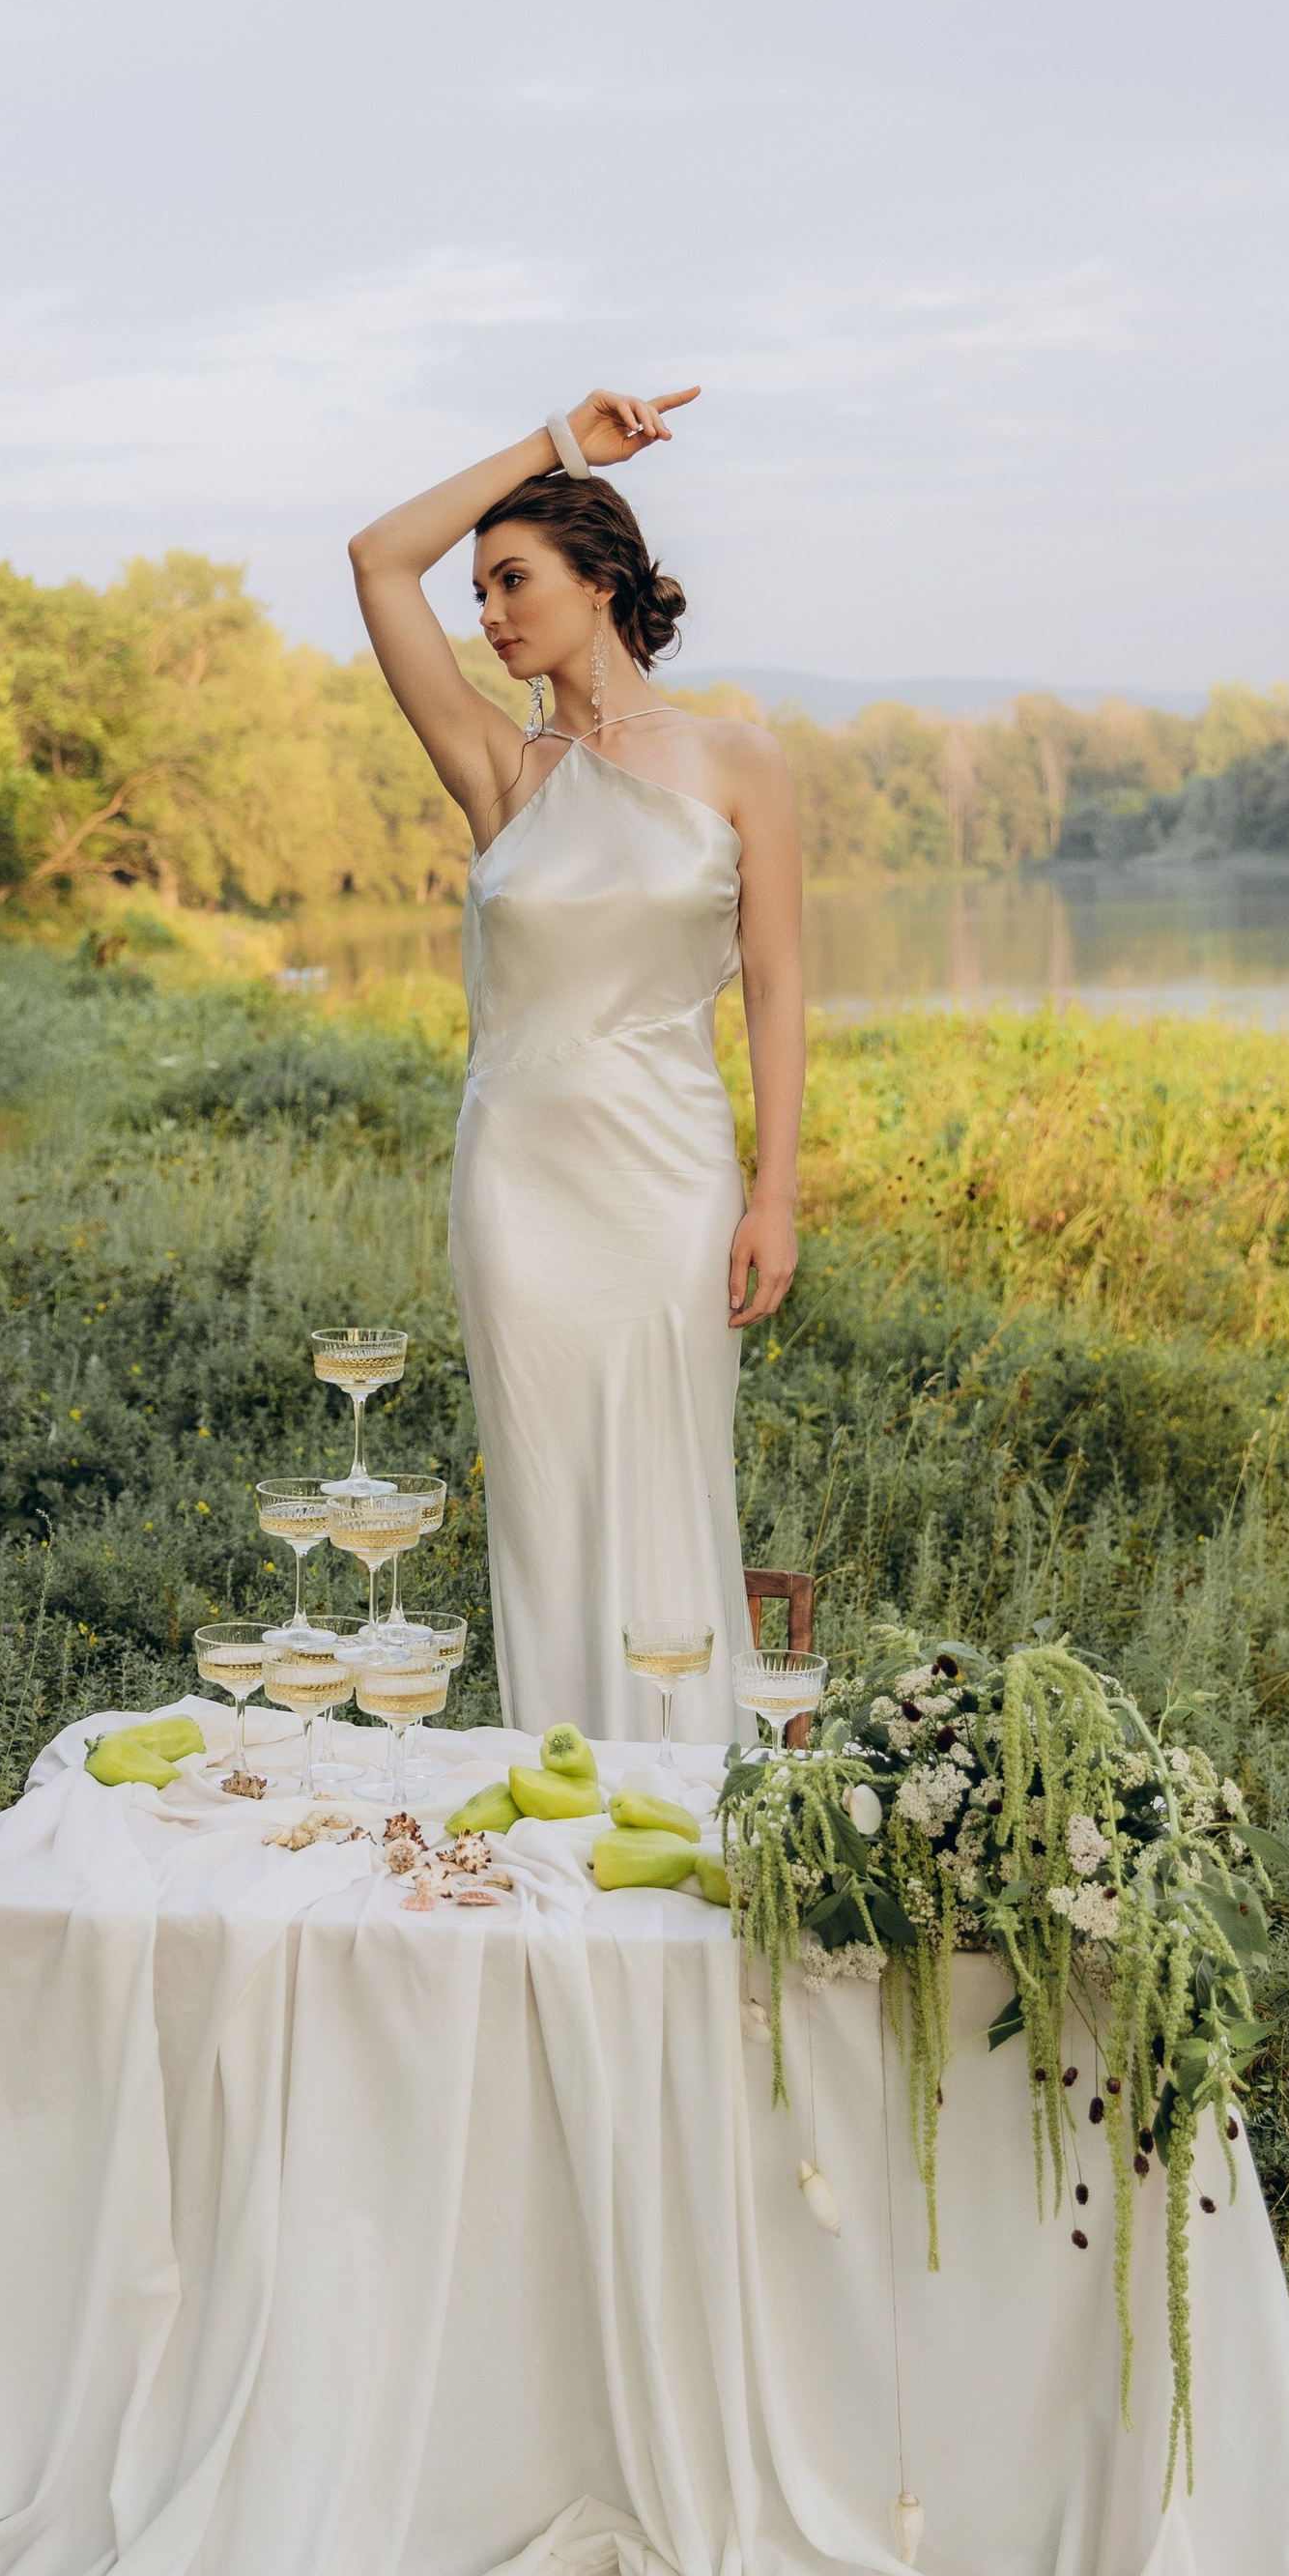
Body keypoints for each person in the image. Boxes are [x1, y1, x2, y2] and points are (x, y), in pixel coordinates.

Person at [350, 388, 803, 1745]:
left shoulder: (737, 760)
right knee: (546, 1505)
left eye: (512, 579)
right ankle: (573, 1808)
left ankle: (697, 1814)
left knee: (667, 1482)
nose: (486, 613)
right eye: (481, 587)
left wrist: (774, 1194)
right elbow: (377, 556)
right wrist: (554, 443)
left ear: (599, 580)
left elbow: (776, 986)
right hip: (520, 1185)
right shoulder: (500, 769)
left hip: (672, 1177)